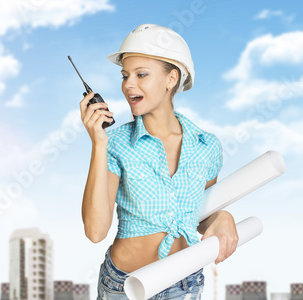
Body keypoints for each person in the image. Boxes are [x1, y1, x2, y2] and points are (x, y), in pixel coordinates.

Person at [79, 24, 239, 300]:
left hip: (185, 285)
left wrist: (223, 216)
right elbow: (95, 231)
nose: (128, 84)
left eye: (141, 74)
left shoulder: (206, 145)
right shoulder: (115, 144)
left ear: (171, 79)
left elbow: (200, 214)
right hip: (125, 287)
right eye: (125, 75)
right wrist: (99, 144)